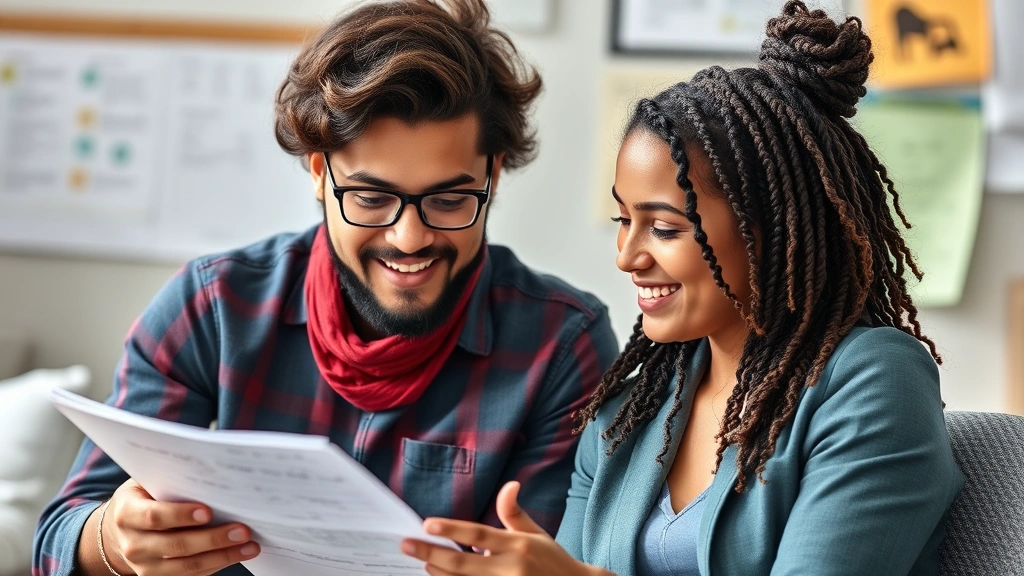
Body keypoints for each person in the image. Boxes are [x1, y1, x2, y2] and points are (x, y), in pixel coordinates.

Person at [32, 1, 620, 575]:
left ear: (491, 175)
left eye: (448, 199)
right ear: (320, 173)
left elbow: (555, 557)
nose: (409, 238)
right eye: (371, 198)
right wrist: (115, 541)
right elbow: (57, 540)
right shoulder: (213, 306)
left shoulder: (561, 344)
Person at [400, 2, 964, 574]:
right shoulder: (626, 416)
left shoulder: (872, 381)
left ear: (772, 232)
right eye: (623, 220)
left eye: (665, 228)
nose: (627, 257)